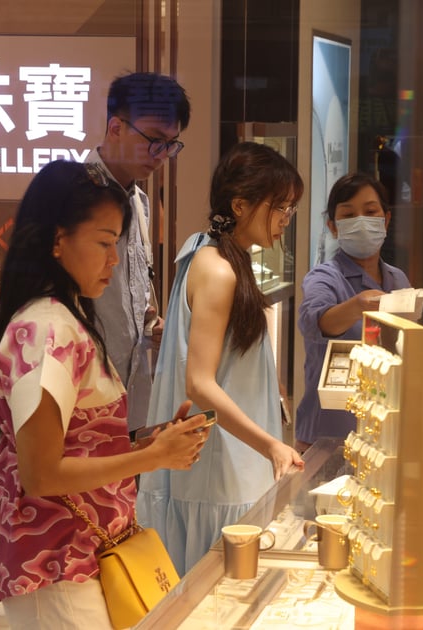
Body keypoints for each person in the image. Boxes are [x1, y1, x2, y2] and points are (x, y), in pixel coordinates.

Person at [0, 159, 209, 629]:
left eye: (116, 243)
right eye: (104, 243)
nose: (114, 259)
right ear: (57, 240)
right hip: (56, 566)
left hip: (79, 556)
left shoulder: (63, 319)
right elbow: (41, 474)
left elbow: (78, 441)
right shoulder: (45, 329)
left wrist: (146, 442)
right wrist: (151, 457)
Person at [137, 142, 306, 574]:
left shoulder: (212, 253)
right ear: (240, 205)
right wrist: (271, 445)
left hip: (230, 459)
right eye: (279, 207)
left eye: (290, 208)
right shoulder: (218, 268)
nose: (285, 219)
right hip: (222, 466)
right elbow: (199, 382)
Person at [87, 72, 192, 437]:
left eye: (170, 145)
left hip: (131, 396)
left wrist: (152, 325)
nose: (161, 156)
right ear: (116, 127)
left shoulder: (139, 201)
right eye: (154, 141)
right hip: (82, 393)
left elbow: (130, 292)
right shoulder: (75, 198)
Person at [295, 172, 411, 452]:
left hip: (384, 432)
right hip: (329, 435)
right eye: (348, 215)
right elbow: (315, 322)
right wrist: (358, 306)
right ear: (333, 227)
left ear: (386, 219)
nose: (360, 221)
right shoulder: (324, 277)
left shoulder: (398, 279)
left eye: (370, 212)